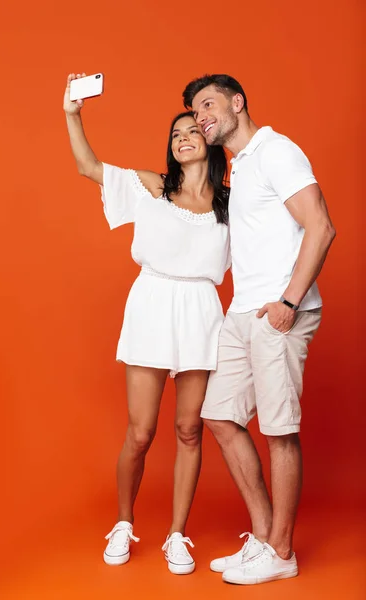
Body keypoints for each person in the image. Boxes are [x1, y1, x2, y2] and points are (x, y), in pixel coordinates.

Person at [63, 73, 231, 574]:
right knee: (140, 432)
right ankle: (123, 522)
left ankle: (177, 535)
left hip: (202, 311)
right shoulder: (152, 187)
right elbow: (88, 166)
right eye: (175, 133)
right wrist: (73, 112)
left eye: (192, 130)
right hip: (153, 304)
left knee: (189, 430)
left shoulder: (230, 204)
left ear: (210, 141)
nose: (182, 137)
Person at [182, 74, 336, 585]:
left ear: (238, 102)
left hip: (277, 312)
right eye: (193, 110)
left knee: (278, 431)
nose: (200, 115)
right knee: (220, 415)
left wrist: (289, 302)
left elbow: (321, 225)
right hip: (243, 312)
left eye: (208, 104)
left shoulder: (276, 151)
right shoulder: (240, 167)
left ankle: (283, 552)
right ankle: (266, 539)